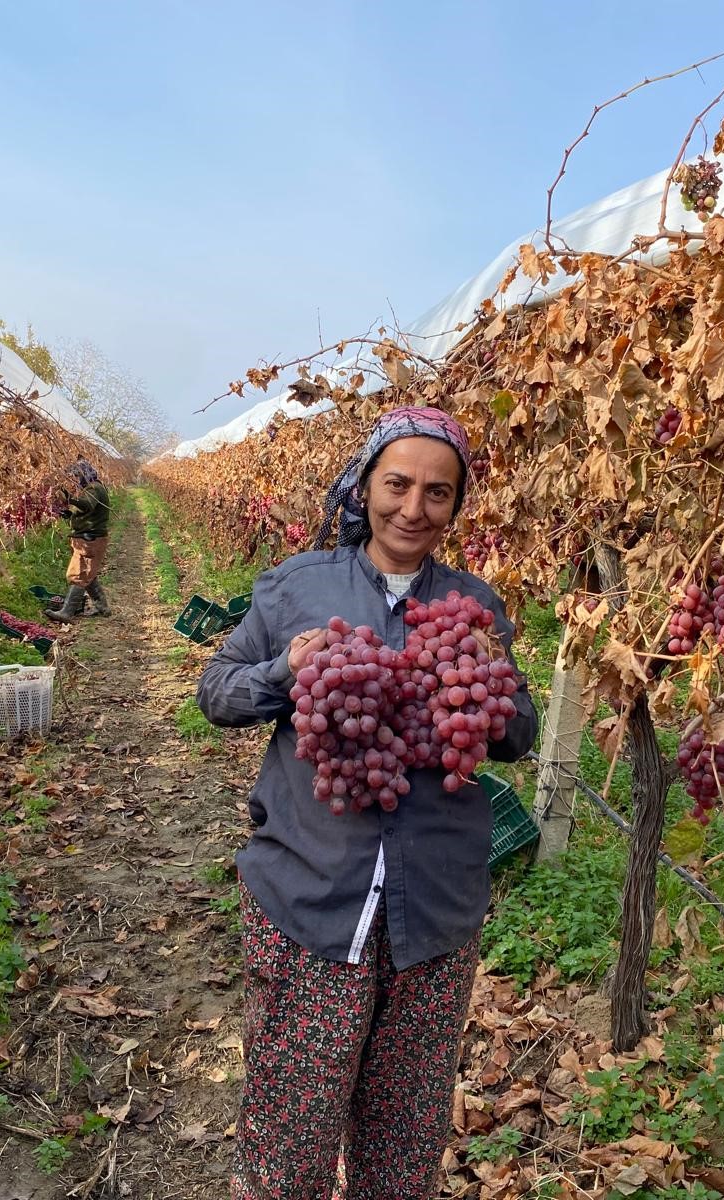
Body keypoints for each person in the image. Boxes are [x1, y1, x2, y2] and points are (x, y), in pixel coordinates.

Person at [197, 406, 539, 1199]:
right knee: (291, 1136)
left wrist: (496, 680)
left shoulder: (474, 605)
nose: (413, 510)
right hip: (309, 902)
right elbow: (217, 692)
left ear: (457, 505)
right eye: (398, 485)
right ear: (364, 484)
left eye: (438, 493)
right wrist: (285, 670)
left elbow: (517, 736)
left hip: (435, 915)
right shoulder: (296, 586)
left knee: (406, 1140)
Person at [50, 459, 111, 622]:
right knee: (87, 574)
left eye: (77, 476)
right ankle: (102, 607)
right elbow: (88, 512)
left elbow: (86, 505)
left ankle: (67, 613)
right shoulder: (95, 487)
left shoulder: (94, 488)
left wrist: (70, 499)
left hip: (90, 540)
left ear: (85, 474)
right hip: (89, 538)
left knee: (77, 575)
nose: (76, 480)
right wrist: (71, 516)